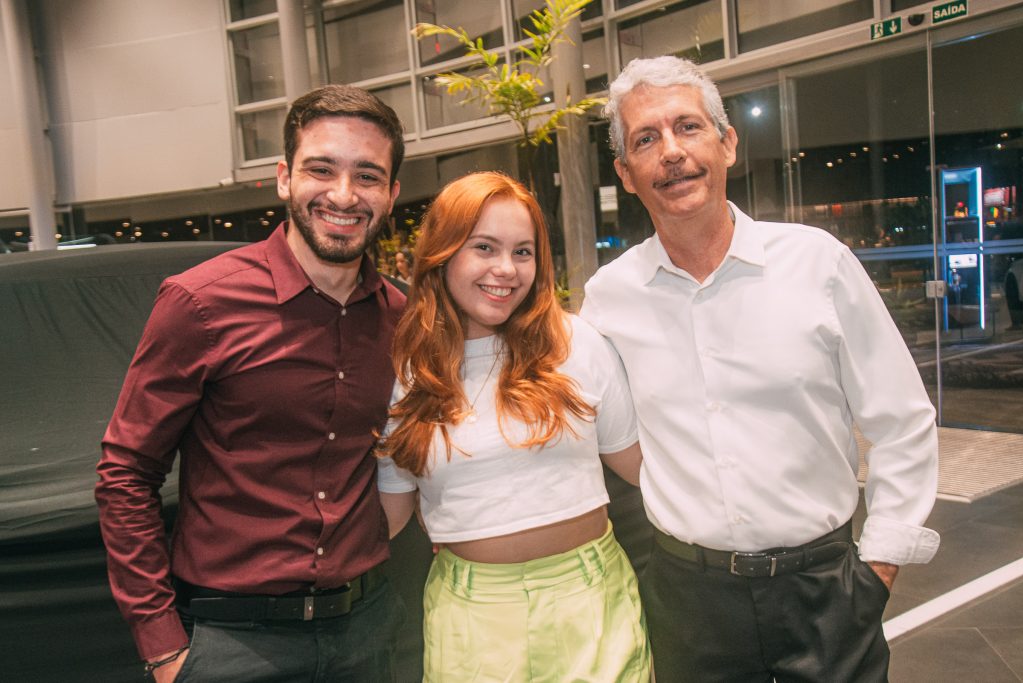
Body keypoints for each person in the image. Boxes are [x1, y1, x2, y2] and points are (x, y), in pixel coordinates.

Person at [581, 55, 940, 681]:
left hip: (827, 594)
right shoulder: (610, 298)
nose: (671, 152)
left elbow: (901, 419)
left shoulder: (816, 262)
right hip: (688, 605)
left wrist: (879, 567)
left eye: (688, 127)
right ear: (626, 173)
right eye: (646, 139)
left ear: (727, 143)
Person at [95, 84, 407, 682]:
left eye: (368, 176)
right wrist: (163, 647)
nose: (344, 194)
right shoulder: (200, 302)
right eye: (322, 169)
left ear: (391, 194)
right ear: (285, 178)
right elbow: (126, 474)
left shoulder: (402, 316)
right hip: (232, 644)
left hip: (368, 632)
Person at [376, 171, 652, 682]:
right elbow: (386, 519)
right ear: (443, 252)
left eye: (523, 252)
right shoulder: (412, 372)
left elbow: (640, 468)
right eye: (484, 247)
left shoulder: (576, 343)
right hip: (471, 615)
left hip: (592, 600)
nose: (505, 269)